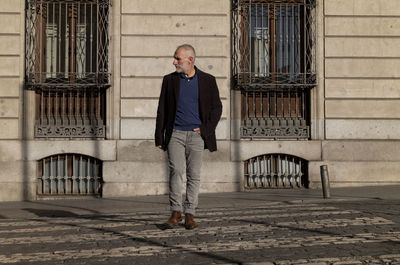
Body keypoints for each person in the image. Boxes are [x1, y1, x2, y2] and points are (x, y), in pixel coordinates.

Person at [155, 44, 222, 229]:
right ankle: (175, 211)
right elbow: (162, 109)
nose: (174, 61)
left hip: (196, 136)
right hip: (175, 133)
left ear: (190, 60)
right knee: (176, 171)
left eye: (178, 58)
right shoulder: (169, 80)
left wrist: (205, 129)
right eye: (175, 58)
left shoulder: (208, 80)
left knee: (194, 175)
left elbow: (217, 108)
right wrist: (159, 137)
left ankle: (190, 213)